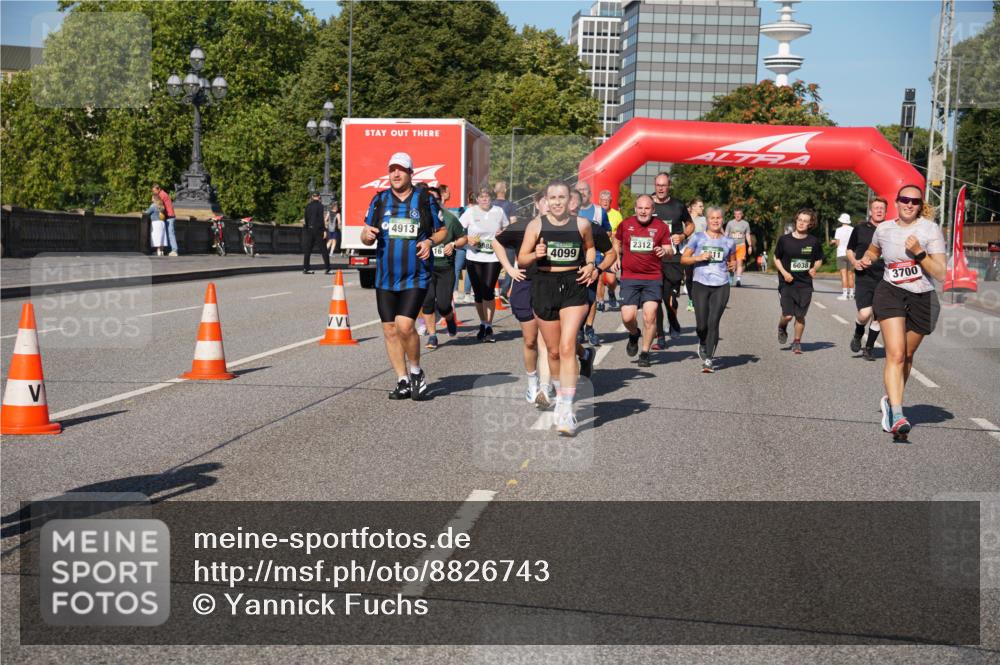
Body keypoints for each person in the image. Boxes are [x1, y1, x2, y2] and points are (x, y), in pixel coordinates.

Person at [858, 184, 946, 438]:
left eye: (915, 202)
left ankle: (890, 400)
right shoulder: (884, 229)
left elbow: (940, 273)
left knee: (907, 355)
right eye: (905, 200)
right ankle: (897, 413)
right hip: (890, 292)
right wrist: (868, 259)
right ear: (896, 202)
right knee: (895, 355)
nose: (909, 204)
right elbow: (873, 251)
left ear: (920, 206)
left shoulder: (930, 230)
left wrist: (919, 253)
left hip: (922, 296)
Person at [361, 152, 446, 400]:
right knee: (389, 329)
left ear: (410, 173)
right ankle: (402, 380)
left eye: (401, 170)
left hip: (415, 275)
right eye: (392, 170)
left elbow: (442, 231)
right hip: (385, 277)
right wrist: (365, 236)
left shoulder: (424, 200)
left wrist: (430, 241)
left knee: (405, 325)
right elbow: (366, 234)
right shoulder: (379, 201)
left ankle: (416, 371)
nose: (396, 174)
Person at [517, 181, 599, 436]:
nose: (556, 202)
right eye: (552, 197)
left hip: (573, 285)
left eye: (561, 197)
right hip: (544, 284)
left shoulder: (581, 225)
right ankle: (559, 393)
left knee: (566, 346)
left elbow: (590, 248)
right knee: (552, 352)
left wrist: (589, 265)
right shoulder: (536, 225)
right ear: (546, 201)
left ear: (570, 200)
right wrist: (536, 254)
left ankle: (566, 407)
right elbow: (522, 258)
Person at [492, 193, 555, 408]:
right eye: (545, 200)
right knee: (530, 339)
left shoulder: (565, 228)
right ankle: (532, 381)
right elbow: (497, 242)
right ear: (537, 204)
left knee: (546, 340)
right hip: (525, 284)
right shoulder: (522, 226)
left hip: (550, 286)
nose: (550, 204)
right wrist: (509, 269)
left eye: (555, 200)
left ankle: (545, 389)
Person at [612, 195, 671, 368]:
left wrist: (663, 251)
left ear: (653, 210)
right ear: (635, 208)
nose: (643, 211)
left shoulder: (661, 227)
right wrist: (617, 257)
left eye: (647, 208)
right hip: (629, 277)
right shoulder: (626, 224)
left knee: (650, 315)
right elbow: (617, 240)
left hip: (652, 277)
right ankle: (634, 333)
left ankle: (645, 353)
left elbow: (669, 248)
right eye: (640, 208)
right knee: (627, 316)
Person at [681, 206, 737, 372]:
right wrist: (699, 257)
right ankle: (703, 341)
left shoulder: (729, 241)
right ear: (707, 220)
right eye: (712, 218)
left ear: (722, 220)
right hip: (700, 284)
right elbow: (684, 259)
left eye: (718, 218)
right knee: (701, 325)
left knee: (713, 322)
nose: (715, 221)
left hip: (721, 285)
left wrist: (733, 265)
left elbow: (732, 262)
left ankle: (709, 360)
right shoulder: (698, 238)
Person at [459, 187, 510, 343]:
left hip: (493, 257)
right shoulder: (470, 212)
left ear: (491, 198)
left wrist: (503, 234)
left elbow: (507, 227)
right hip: (473, 256)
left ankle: (489, 325)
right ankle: (482, 323)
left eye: (487, 197)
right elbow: (459, 229)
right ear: (477, 199)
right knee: (478, 293)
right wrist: (468, 238)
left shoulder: (499, 211)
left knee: (488, 290)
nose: (484, 199)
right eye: (481, 197)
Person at [421, 185, 467, 349]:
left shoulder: (450, 218)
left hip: (445, 268)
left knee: (443, 305)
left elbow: (464, 239)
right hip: (426, 268)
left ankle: (449, 318)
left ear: (440, 200)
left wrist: (454, 244)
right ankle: (432, 336)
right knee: (427, 302)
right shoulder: (421, 218)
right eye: (429, 200)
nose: (432, 202)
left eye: (436, 199)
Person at [650, 172, 693, 348]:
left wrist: (682, 235)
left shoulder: (677, 205)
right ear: (655, 186)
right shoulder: (648, 205)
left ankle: (673, 320)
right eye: (658, 185)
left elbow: (690, 225)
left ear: (669, 186)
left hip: (673, 258)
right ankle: (660, 336)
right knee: (656, 299)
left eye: (664, 185)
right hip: (652, 259)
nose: (661, 188)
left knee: (670, 300)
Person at [774, 209, 824, 354]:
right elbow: (776, 258)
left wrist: (814, 268)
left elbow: (819, 259)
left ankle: (797, 342)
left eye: (805, 221)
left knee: (800, 315)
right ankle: (782, 327)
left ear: (810, 224)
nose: (802, 223)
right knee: (788, 315)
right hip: (787, 283)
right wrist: (784, 273)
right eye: (800, 220)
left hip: (805, 284)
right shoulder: (785, 240)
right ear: (796, 220)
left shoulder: (813, 241)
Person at [846, 198, 888, 361]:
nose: (878, 211)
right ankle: (858, 333)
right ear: (870, 211)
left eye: (882, 208)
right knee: (865, 314)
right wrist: (855, 262)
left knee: (878, 315)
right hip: (864, 277)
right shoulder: (860, 228)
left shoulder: (890, 229)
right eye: (876, 208)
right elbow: (849, 249)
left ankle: (869, 348)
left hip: (885, 278)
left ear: (885, 212)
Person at [575, 181, 612, 347]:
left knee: (590, 296)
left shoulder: (599, 211)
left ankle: (588, 328)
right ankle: (577, 329)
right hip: (573, 260)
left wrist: (597, 237)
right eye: (578, 190)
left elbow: (608, 231)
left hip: (594, 258)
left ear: (589, 193)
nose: (581, 193)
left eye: (584, 190)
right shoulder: (568, 211)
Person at [597, 189, 622, 311]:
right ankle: (600, 302)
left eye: (607, 200)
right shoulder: (596, 213)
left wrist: (618, 256)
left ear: (611, 201)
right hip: (598, 251)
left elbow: (620, 234)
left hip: (611, 251)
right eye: (603, 200)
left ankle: (611, 292)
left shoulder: (616, 215)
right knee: (599, 278)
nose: (605, 202)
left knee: (611, 280)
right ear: (599, 201)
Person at [303, 192, 332, 275]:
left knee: (308, 250)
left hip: (309, 229)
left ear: (312, 197)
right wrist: (324, 230)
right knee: (323, 250)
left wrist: (307, 228)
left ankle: (306, 268)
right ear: (319, 197)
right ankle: (327, 268)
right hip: (318, 230)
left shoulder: (308, 206)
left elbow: (306, 218)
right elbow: (320, 219)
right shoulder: (320, 206)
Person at [724, 207, 752, 287]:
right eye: (736, 214)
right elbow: (726, 233)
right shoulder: (730, 223)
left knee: (740, 263)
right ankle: (731, 276)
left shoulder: (746, 224)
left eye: (739, 214)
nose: (737, 216)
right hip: (731, 246)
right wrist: (723, 243)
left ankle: (738, 280)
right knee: (731, 264)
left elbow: (747, 235)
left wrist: (750, 246)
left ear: (742, 215)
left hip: (741, 245)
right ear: (734, 215)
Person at [832, 213, 855, 300]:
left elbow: (838, 243)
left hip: (841, 253)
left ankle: (845, 295)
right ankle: (852, 294)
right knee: (851, 275)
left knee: (843, 275)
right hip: (851, 254)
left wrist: (834, 242)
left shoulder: (838, 230)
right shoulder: (853, 229)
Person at [151, 184, 178, 256]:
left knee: (171, 234)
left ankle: (174, 250)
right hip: (169, 216)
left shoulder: (162, 195)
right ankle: (168, 250)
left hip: (170, 217)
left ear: (158, 189)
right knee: (167, 234)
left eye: (154, 191)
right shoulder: (163, 194)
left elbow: (159, 205)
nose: (154, 192)